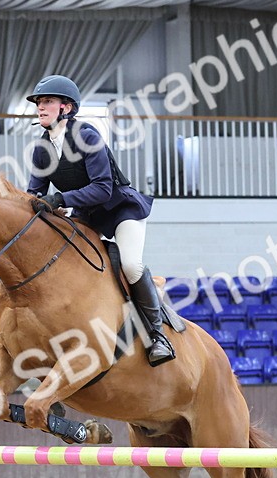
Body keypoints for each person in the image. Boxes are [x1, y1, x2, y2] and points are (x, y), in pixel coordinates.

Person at [24, 75, 175, 366]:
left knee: (130, 264)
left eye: (47, 102)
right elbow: (35, 194)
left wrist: (61, 200)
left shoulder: (87, 136)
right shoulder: (41, 150)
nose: (40, 107)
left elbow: (102, 188)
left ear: (66, 108)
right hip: (85, 216)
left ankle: (157, 336)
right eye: (39, 103)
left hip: (120, 210)